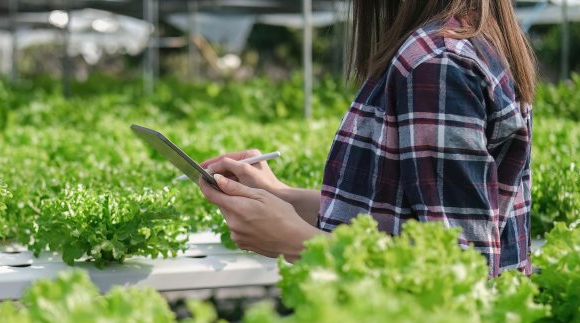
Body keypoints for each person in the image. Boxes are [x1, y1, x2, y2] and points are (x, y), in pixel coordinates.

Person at [198, 0, 536, 277]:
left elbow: (462, 272)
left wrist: (299, 242)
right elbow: (395, 217)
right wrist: (281, 197)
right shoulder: (461, 40)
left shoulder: (436, 62)